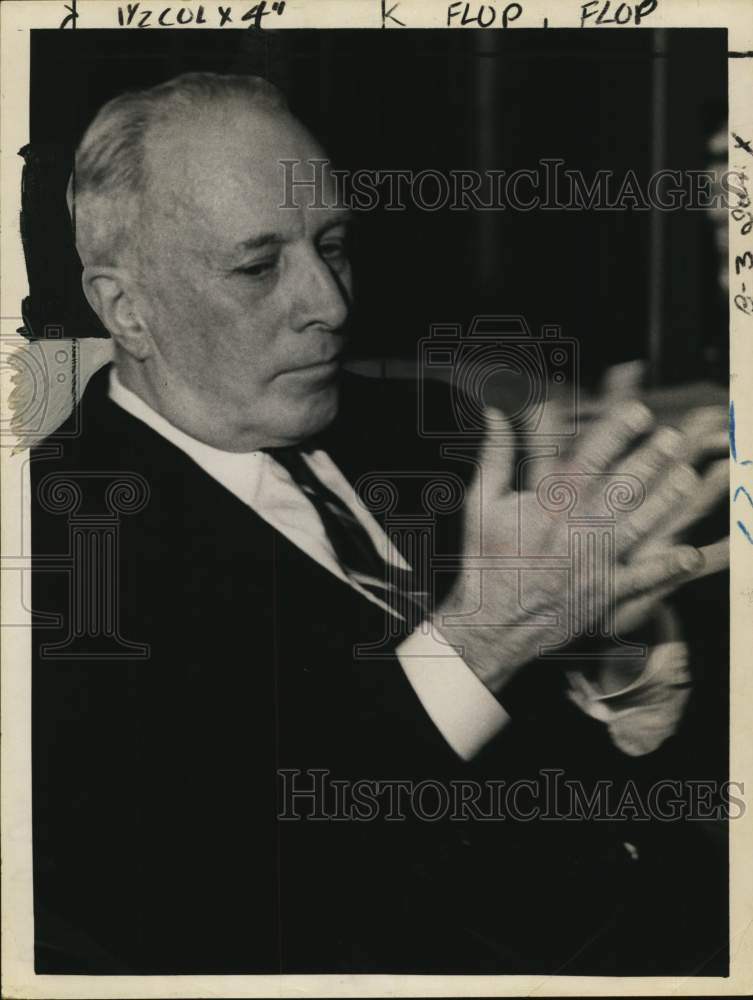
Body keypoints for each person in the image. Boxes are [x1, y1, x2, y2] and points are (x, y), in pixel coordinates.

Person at [30, 72, 729, 975]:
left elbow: (579, 757)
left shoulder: (428, 427)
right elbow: (198, 917)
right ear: (127, 308)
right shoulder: (60, 543)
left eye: (335, 245)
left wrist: (625, 696)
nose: (329, 303)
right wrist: (478, 644)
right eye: (257, 266)